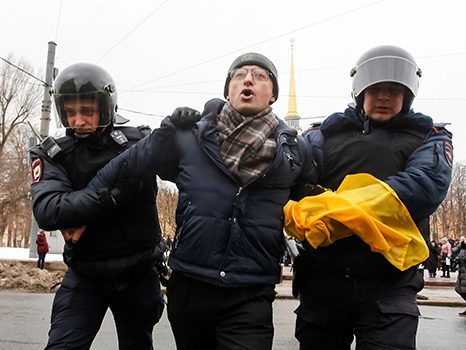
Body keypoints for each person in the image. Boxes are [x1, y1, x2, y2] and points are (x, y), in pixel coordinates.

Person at [87, 52, 314, 350]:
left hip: (251, 289)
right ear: (227, 90)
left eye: (260, 76)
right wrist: (80, 211)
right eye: (239, 74)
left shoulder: (295, 151)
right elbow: (126, 167)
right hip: (190, 286)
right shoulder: (190, 137)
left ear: (272, 95)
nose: (248, 80)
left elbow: (314, 207)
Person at [284, 45, 453, 350]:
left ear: (408, 95)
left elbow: (422, 187)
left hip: (389, 284)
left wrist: (330, 209)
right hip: (324, 282)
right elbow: (296, 185)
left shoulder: (429, 136)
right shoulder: (321, 135)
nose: (383, 97)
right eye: (375, 90)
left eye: (392, 90)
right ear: (360, 93)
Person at [29, 63, 166, 349]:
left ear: (106, 107)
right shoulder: (53, 153)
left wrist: (180, 128)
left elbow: (185, 168)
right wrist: (114, 195)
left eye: (87, 111)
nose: (78, 121)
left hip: (138, 274)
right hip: (86, 274)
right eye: (70, 112)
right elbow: (50, 209)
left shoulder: (137, 141)